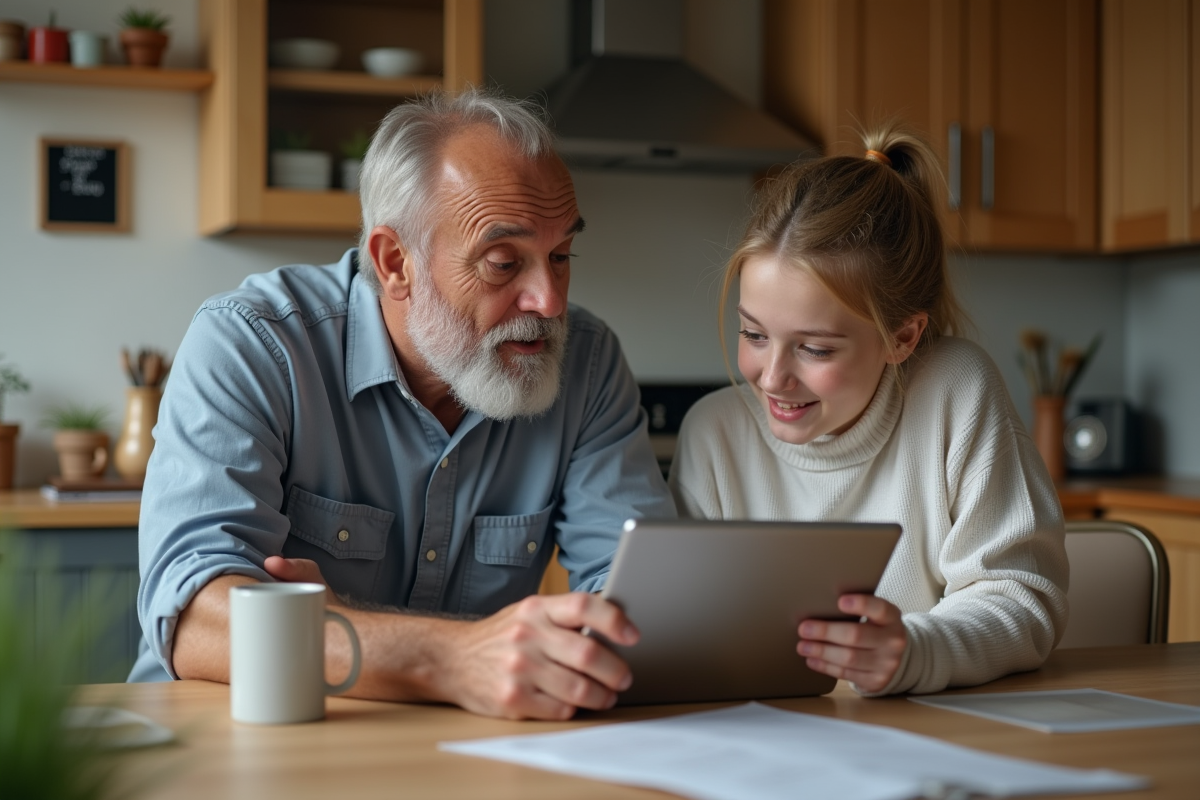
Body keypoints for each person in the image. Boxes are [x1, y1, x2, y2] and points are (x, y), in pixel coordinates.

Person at [130, 88, 676, 721]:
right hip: (223, 739)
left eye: (560, 257)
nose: (549, 301)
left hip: (461, 746)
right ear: (395, 263)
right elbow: (196, 616)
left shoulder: (587, 363)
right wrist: (451, 658)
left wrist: (335, 630)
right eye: (504, 263)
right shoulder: (253, 343)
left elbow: (641, 601)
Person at [669, 124, 1068, 696]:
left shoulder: (956, 389)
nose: (773, 377)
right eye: (754, 334)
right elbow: (688, 630)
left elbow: (1023, 598)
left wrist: (916, 651)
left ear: (902, 338)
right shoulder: (712, 436)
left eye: (815, 349)